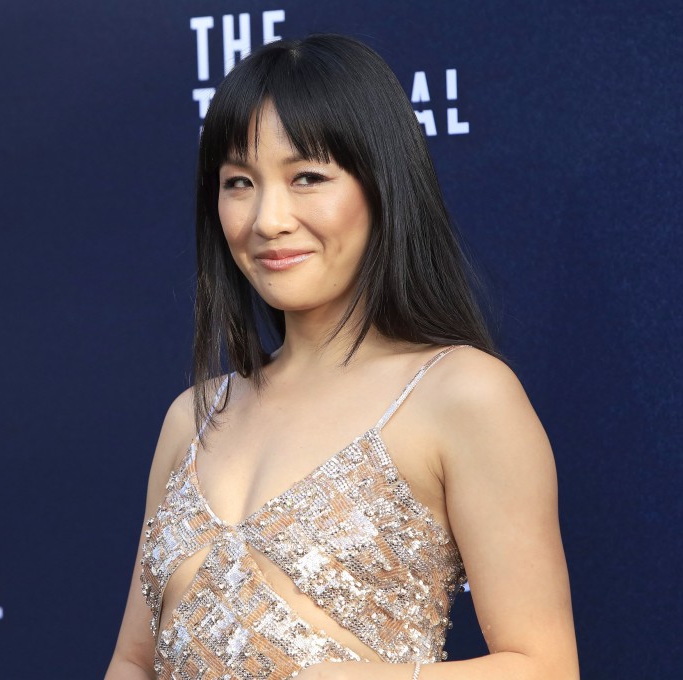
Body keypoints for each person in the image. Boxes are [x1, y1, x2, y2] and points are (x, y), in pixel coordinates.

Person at [106, 34, 578, 680]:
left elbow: (545, 669)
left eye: (307, 178)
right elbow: (134, 663)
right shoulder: (192, 419)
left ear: (381, 186)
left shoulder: (462, 395)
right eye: (239, 182)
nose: (268, 219)